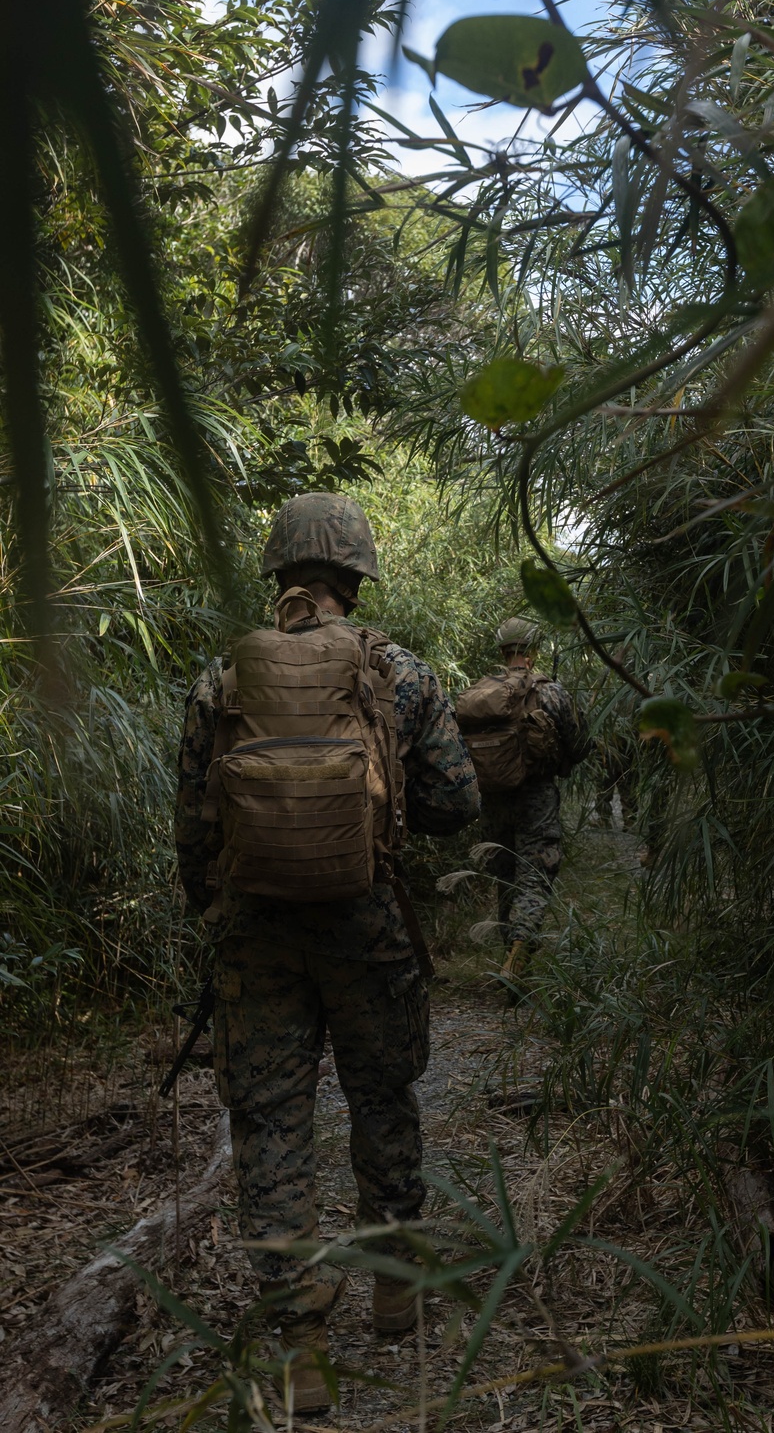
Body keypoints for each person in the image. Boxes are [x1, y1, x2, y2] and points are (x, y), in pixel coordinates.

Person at [174, 492, 480, 1410]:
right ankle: (395, 1284)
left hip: (253, 934)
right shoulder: (401, 674)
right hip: (367, 920)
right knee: (383, 1092)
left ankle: (300, 1340)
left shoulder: (221, 680)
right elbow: (458, 804)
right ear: (357, 572)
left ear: (279, 571)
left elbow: (194, 825)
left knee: (270, 1121)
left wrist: (218, 912)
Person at [473, 617, 591, 989]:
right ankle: (518, 952)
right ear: (534, 650)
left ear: (502, 650)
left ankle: (509, 953)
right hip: (536, 797)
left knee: (505, 876)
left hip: (492, 800)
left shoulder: (481, 692)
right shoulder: (551, 692)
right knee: (535, 876)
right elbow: (580, 744)